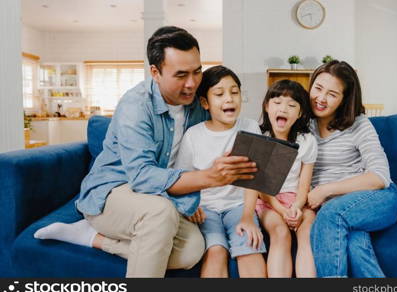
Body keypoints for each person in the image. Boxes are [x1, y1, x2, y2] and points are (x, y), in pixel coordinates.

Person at [33, 26, 258, 278]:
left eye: (197, 71)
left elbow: (227, 118)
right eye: (181, 75)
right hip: (114, 192)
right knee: (159, 213)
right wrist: (208, 178)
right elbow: (142, 177)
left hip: (162, 197)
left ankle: (91, 237)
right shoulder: (136, 105)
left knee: (193, 249)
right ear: (155, 72)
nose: (192, 83)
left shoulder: (197, 101)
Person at [307, 60, 397, 278]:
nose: (321, 98)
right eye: (318, 88)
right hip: (343, 209)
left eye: (332, 94)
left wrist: (324, 190)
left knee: (331, 214)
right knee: (355, 246)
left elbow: (380, 177)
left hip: (378, 197)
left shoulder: (359, 124)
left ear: (344, 99)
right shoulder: (303, 124)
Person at [174, 65, 267, 278]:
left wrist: (247, 217)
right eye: (219, 94)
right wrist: (191, 205)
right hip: (206, 210)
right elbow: (183, 178)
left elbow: (254, 178)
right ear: (205, 103)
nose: (229, 99)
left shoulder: (250, 127)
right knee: (215, 252)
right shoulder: (193, 135)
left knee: (250, 247)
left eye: (235, 92)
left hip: (239, 207)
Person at [254, 80, 317, 278]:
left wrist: (296, 208)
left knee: (307, 232)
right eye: (277, 103)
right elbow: (259, 187)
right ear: (266, 106)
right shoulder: (259, 136)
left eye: (292, 105)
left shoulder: (307, 141)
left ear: (299, 114)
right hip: (267, 199)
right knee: (280, 234)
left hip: (296, 199)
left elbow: (304, 185)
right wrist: (281, 210)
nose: (284, 109)